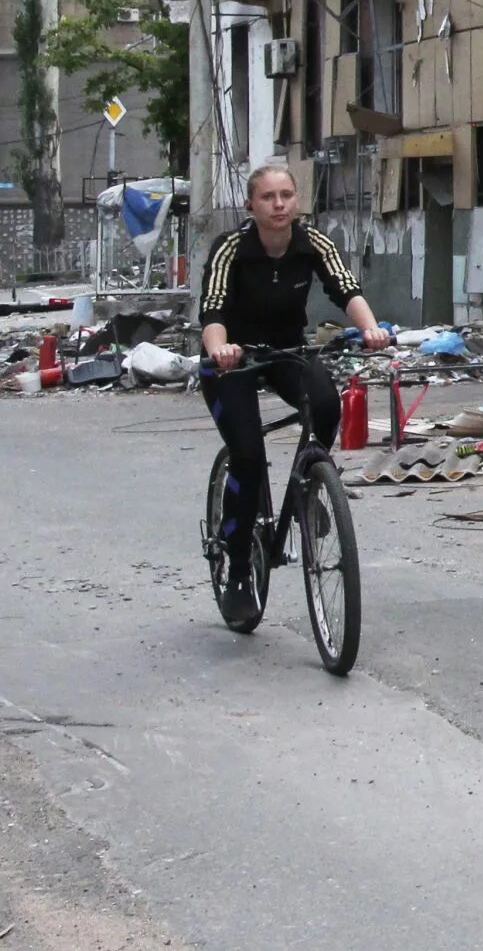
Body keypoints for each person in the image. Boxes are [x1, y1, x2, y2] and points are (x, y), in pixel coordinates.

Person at [198, 162, 390, 626]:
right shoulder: (231, 250)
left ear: (296, 201)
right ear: (251, 204)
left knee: (326, 405)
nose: (279, 204)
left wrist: (371, 329)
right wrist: (220, 349)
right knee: (247, 453)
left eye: (286, 195)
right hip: (234, 360)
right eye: (268, 197)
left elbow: (346, 288)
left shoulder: (312, 243)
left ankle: (307, 490)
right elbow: (213, 312)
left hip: (286, 352)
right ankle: (240, 571)